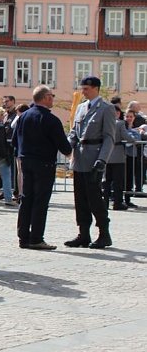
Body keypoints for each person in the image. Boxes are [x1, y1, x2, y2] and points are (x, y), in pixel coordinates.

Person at [13, 86, 72, 250]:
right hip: (44, 163)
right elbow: (63, 144)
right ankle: (36, 237)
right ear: (45, 97)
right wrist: (70, 153)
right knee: (40, 200)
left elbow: (15, 139)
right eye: (51, 96)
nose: (53, 98)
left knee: (26, 199)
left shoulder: (23, 116)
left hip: (26, 160)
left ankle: (23, 237)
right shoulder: (50, 119)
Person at [65, 76, 118, 249]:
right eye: (82, 88)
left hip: (94, 157)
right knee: (80, 199)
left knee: (95, 198)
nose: (83, 91)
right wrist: (66, 147)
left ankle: (104, 233)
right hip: (80, 158)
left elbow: (109, 138)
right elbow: (74, 132)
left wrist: (102, 160)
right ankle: (83, 233)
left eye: (86, 89)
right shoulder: (81, 108)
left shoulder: (107, 108)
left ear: (96, 88)